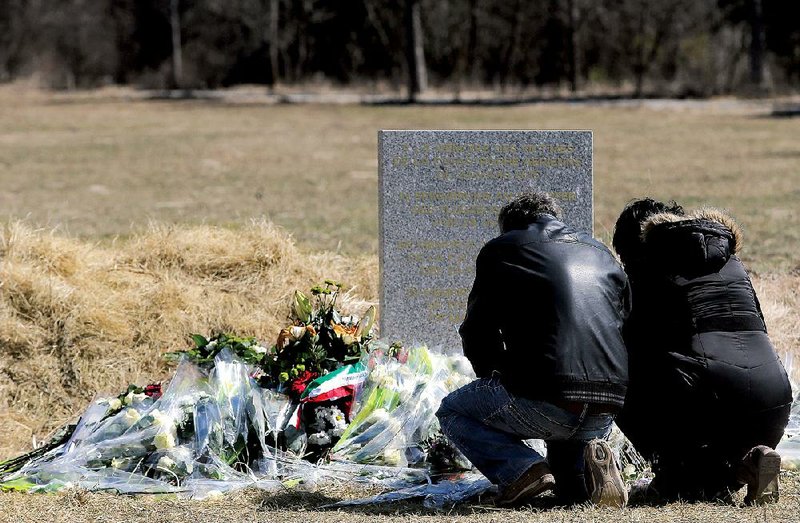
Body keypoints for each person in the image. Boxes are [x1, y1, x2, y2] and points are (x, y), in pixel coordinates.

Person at [436, 192, 631, 507]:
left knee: (452, 410)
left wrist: (494, 377)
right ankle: (594, 472)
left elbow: (478, 329)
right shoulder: (600, 251)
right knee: (570, 492)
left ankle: (522, 469)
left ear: (509, 227)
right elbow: (623, 320)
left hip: (546, 396)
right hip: (607, 402)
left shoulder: (503, 249)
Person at [612, 198, 793, 504]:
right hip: (774, 402)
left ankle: (671, 477)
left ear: (636, 246)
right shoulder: (731, 262)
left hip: (711, 398)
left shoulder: (650, 268)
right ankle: (751, 464)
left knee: (617, 373)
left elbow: (626, 342)